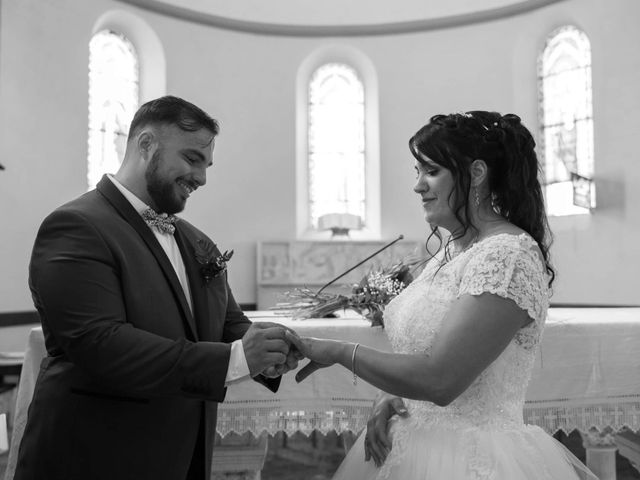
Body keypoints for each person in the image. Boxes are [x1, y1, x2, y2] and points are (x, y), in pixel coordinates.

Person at [287, 111, 598, 479]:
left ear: (477, 174)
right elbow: (438, 355)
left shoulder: (507, 256)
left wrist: (340, 351)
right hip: (412, 444)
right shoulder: (449, 251)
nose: (418, 186)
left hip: (473, 458)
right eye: (417, 171)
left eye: (431, 171)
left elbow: (442, 379)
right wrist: (397, 395)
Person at [15, 96, 299, 480]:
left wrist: (269, 349)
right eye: (192, 159)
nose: (202, 178)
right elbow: (100, 343)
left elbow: (228, 324)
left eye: (207, 164)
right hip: (97, 454)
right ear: (146, 145)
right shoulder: (76, 226)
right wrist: (234, 359)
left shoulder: (197, 241)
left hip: (182, 453)